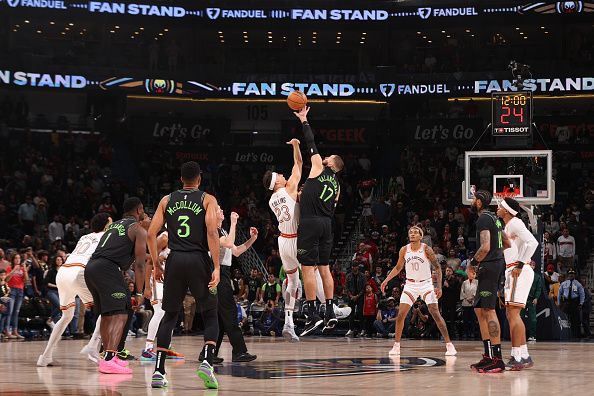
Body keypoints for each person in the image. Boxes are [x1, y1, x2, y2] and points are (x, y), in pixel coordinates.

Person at [147, 161, 220, 389]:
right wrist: (216, 266)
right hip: (198, 259)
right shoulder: (207, 199)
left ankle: (158, 371)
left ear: (181, 179)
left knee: (169, 315)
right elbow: (211, 231)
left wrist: (157, 264)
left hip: (175, 259)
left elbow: (151, 233)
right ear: (199, 179)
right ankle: (207, 361)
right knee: (209, 313)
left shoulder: (166, 200)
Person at [293, 106, 345, 336]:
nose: (324, 157)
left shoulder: (317, 168)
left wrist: (304, 120)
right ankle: (330, 310)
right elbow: (331, 204)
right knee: (324, 268)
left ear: (332, 165)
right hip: (327, 224)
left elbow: (310, 142)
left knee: (307, 268)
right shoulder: (337, 185)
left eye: (328, 158)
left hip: (311, 222)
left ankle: (313, 313)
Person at [84, 198, 147, 375]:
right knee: (121, 313)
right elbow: (140, 265)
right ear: (139, 210)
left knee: (107, 314)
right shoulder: (137, 229)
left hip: (92, 267)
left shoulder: (113, 226)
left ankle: (108, 356)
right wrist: (140, 291)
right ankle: (110, 358)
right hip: (107, 268)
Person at [380, 226, 457, 356]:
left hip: (426, 284)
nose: (413, 234)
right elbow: (398, 267)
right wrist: (386, 280)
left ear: (421, 236)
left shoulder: (426, 249)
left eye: (416, 232)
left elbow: (437, 267)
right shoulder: (404, 250)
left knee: (435, 314)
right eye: (411, 232)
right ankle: (396, 346)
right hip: (410, 285)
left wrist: (438, 286)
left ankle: (449, 345)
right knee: (400, 316)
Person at [264, 137, 303, 341]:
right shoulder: (289, 189)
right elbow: (299, 164)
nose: (282, 174)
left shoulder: (271, 199)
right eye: (279, 174)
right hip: (296, 239)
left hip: (283, 241)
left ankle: (289, 320)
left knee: (292, 281)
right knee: (317, 270)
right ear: (277, 181)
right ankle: (329, 308)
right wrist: (296, 145)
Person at [467, 190, 510, 373]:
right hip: (493, 264)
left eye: (473, 199)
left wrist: (472, 264)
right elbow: (507, 243)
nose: (472, 201)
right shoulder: (495, 219)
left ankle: (498, 359)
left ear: (478, 202)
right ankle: (488, 356)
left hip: (489, 266)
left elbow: (485, 247)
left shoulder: (483, 219)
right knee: (479, 309)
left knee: (489, 310)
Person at [496, 197, 538, 370]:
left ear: (506, 210)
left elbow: (533, 242)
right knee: (511, 314)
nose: (497, 208)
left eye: (499, 206)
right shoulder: (507, 226)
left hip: (518, 269)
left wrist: (521, 263)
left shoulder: (515, 222)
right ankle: (523, 355)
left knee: (513, 315)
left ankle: (517, 357)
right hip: (512, 269)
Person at [212, 208, 257, 363]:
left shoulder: (222, 231)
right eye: (218, 209)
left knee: (219, 319)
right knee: (230, 315)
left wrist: (252, 239)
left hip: (223, 273)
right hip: (218, 274)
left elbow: (236, 251)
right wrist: (234, 223)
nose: (222, 210)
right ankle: (239, 352)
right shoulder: (213, 231)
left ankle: (208, 353)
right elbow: (230, 243)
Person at [140, 231, 184, 361]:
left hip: (170, 280)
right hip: (157, 279)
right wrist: (147, 287)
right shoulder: (164, 238)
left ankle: (166, 347)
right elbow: (149, 262)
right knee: (159, 312)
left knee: (170, 313)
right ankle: (148, 349)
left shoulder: (179, 238)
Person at [5, 252, 28, 339]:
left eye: (19, 258)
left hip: (20, 291)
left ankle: (15, 331)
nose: (17, 260)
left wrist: (25, 269)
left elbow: (26, 280)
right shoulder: (9, 268)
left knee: (16, 312)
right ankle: (7, 331)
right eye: (16, 258)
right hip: (11, 290)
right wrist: (14, 270)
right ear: (13, 259)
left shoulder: (22, 269)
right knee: (9, 311)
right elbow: (7, 279)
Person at [558, 269, 585, 338]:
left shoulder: (578, 284)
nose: (571, 275)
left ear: (574, 275)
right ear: (568, 275)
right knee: (564, 318)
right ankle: (565, 334)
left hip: (574, 303)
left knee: (575, 320)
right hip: (566, 303)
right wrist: (559, 303)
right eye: (570, 273)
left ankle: (575, 335)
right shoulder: (564, 283)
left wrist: (581, 303)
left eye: (572, 274)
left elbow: (582, 294)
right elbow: (559, 293)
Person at [525, 261, 543, 344]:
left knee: (533, 319)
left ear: (534, 267)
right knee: (520, 317)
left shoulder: (537, 277)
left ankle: (532, 336)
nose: (531, 266)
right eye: (530, 265)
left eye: (533, 265)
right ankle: (520, 335)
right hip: (523, 298)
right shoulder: (523, 275)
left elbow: (539, 288)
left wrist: (536, 297)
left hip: (531, 299)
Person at [460, 266, 478, 338]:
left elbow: (477, 291)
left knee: (473, 319)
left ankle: (473, 332)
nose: (470, 275)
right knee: (465, 319)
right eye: (469, 273)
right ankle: (466, 332)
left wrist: (472, 297)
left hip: (473, 303)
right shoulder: (464, 282)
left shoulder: (477, 282)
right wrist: (467, 298)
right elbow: (462, 292)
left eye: (472, 273)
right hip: (465, 302)